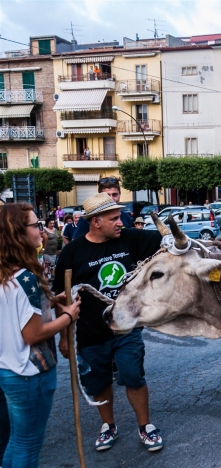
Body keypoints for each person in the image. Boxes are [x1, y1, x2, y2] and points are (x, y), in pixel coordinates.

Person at [53, 193, 164, 452]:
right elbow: (61, 297)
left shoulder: (131, 239)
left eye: (120, 217)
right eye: (114, 218)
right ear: (96, 222)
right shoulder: (73, 252)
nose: (120, 223)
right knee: (99, 382)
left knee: (134, 376)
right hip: (89, 332)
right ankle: (108, 426)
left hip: (126, 327)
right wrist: (64, 337)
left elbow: (168, 242)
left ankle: (145, 427)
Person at [0, 203, 81, 467]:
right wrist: (69, 316)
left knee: (18, 440)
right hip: (30, 372)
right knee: (28, 445)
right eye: (35, 225)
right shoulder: (25, 278)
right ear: (18, 233)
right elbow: (33, 334)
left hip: (10, 370)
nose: (42, 230)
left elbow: (17, 314)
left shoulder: (7, 273)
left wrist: (49, 301)